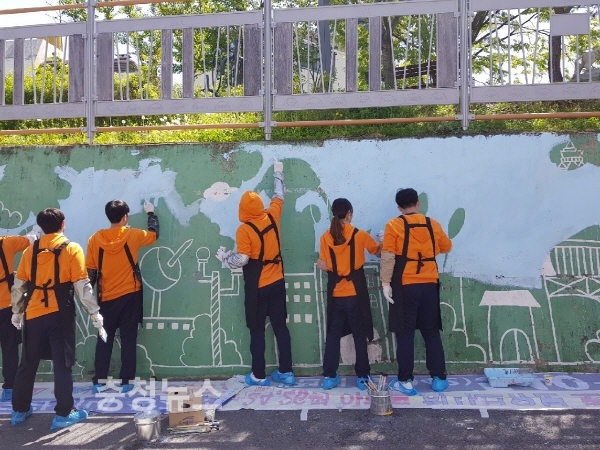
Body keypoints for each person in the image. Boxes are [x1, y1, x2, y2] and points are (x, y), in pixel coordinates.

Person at [10, 208, 103, 429]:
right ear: (63, 224)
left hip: (33, 314)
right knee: (63, 364)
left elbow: (19, 285)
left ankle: (19, 411)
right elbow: (82, 285)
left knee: (27, 363)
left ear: (41, 227)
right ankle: (63, 414)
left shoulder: (30, 251)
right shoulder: (72, 248)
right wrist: (94, 312)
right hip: (60, 315)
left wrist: (17, 311)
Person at [215, 159, 295, 387]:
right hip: (277, 280)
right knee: (281, 327)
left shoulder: (244, 230)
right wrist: (278, 172)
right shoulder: (272, 216)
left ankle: (259, 375)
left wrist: (225, 259)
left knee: (257, 330)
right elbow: (279, 196)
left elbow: (243, 259)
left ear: (242, 210)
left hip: (257, 286)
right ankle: (287, 372)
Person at [380, 188, 452, 395]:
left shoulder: (393, 225)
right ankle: (439, 378)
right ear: (418, 203)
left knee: (405, 334)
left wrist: (386, 283)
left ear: (399, 208)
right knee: (431, 332)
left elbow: (388, 256)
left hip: (405, 286)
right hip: (429, 285)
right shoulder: (433, 224)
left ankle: (405, 381)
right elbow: (446, 247)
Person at [86, 200, 158, 394]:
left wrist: (89, 300)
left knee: (104, 338)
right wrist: (151, 214)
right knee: (128, 338)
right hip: (130, 295)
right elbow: (153, 235)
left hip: (106, 297)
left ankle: (99, 382)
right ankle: (126, 382)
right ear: (125, 217)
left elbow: (91, 271)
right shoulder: (132, 235)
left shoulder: (95, 239)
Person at [316, 198, 381, 390]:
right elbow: (377, 252)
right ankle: (363, 377)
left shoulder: (325, 237)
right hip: (355, 293)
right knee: (359, 335)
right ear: (349, 213)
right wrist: (384, 241)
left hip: (336, 294)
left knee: (333, 334)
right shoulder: (359, 235)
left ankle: (329, 376)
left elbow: (323, 264)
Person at [0, 229, 40, 403]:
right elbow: (30, 240)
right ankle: (9, 389)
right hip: (5, 306)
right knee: (9, 348)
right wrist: (36, 230)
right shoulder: (6, 243)